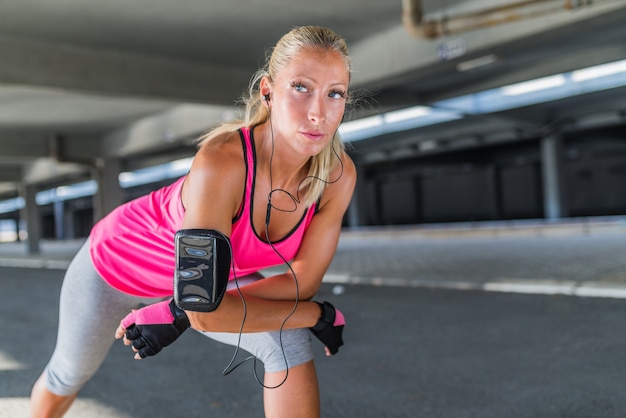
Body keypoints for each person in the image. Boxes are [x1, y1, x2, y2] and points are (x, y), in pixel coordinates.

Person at [29, 25, 357, 418]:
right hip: (115, 264)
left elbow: (301, 282)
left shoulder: (336, 176)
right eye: (301, 87)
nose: (318, 112)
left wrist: (180, 308)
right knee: (68, 374)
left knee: (288, 343)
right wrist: (318, 314)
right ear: (268, 91)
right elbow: (203, 311)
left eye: (334, 93)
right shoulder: (224, 160)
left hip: (208, 282)